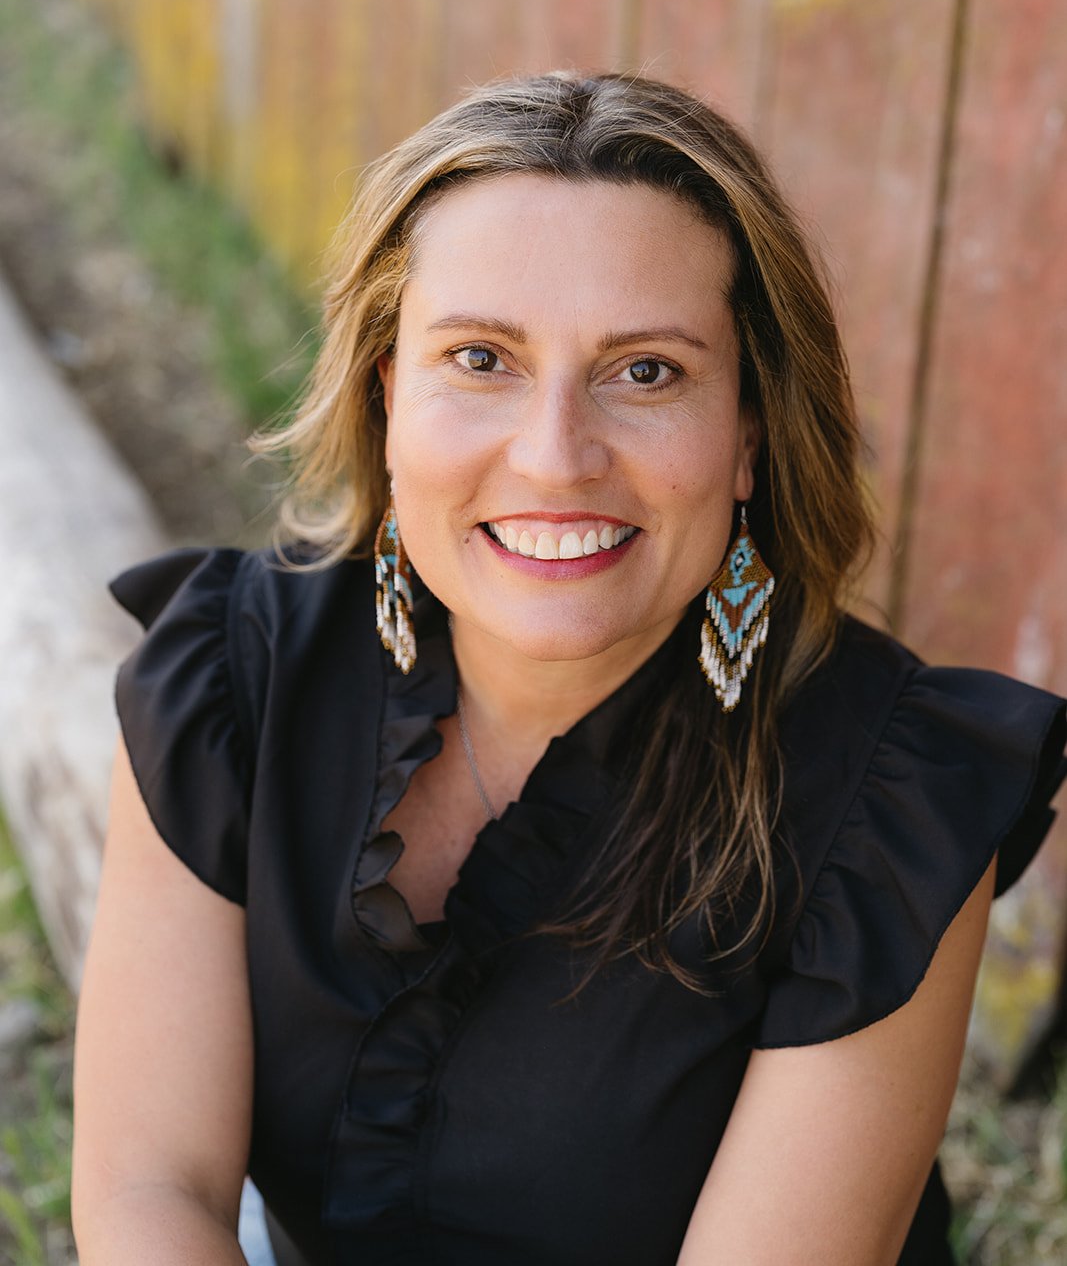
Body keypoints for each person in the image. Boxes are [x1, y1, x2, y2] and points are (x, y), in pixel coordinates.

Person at [72, 71, 1066, 1266]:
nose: (554, 457)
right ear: (390, 396)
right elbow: (150, 1191)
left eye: (644, 371)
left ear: (747, 430)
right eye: (480, 358)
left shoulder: (884, 799)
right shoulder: (234, 674)